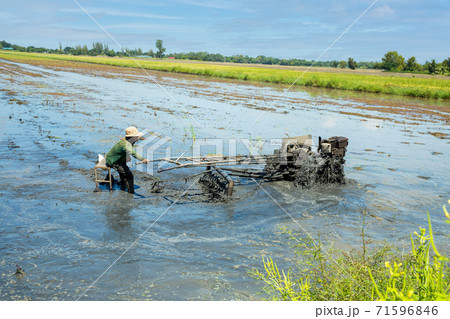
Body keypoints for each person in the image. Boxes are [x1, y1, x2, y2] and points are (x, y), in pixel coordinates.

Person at [106, 127, 149, 193]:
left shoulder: (126, 140)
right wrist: (143, 159)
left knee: (124, 171)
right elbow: (133, 153)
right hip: (113, 161)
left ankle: (123, 185)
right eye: (136, 137)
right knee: (129, 176)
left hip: (117, 159)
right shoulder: (126, 144)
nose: (137, 138)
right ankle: (131, 192)